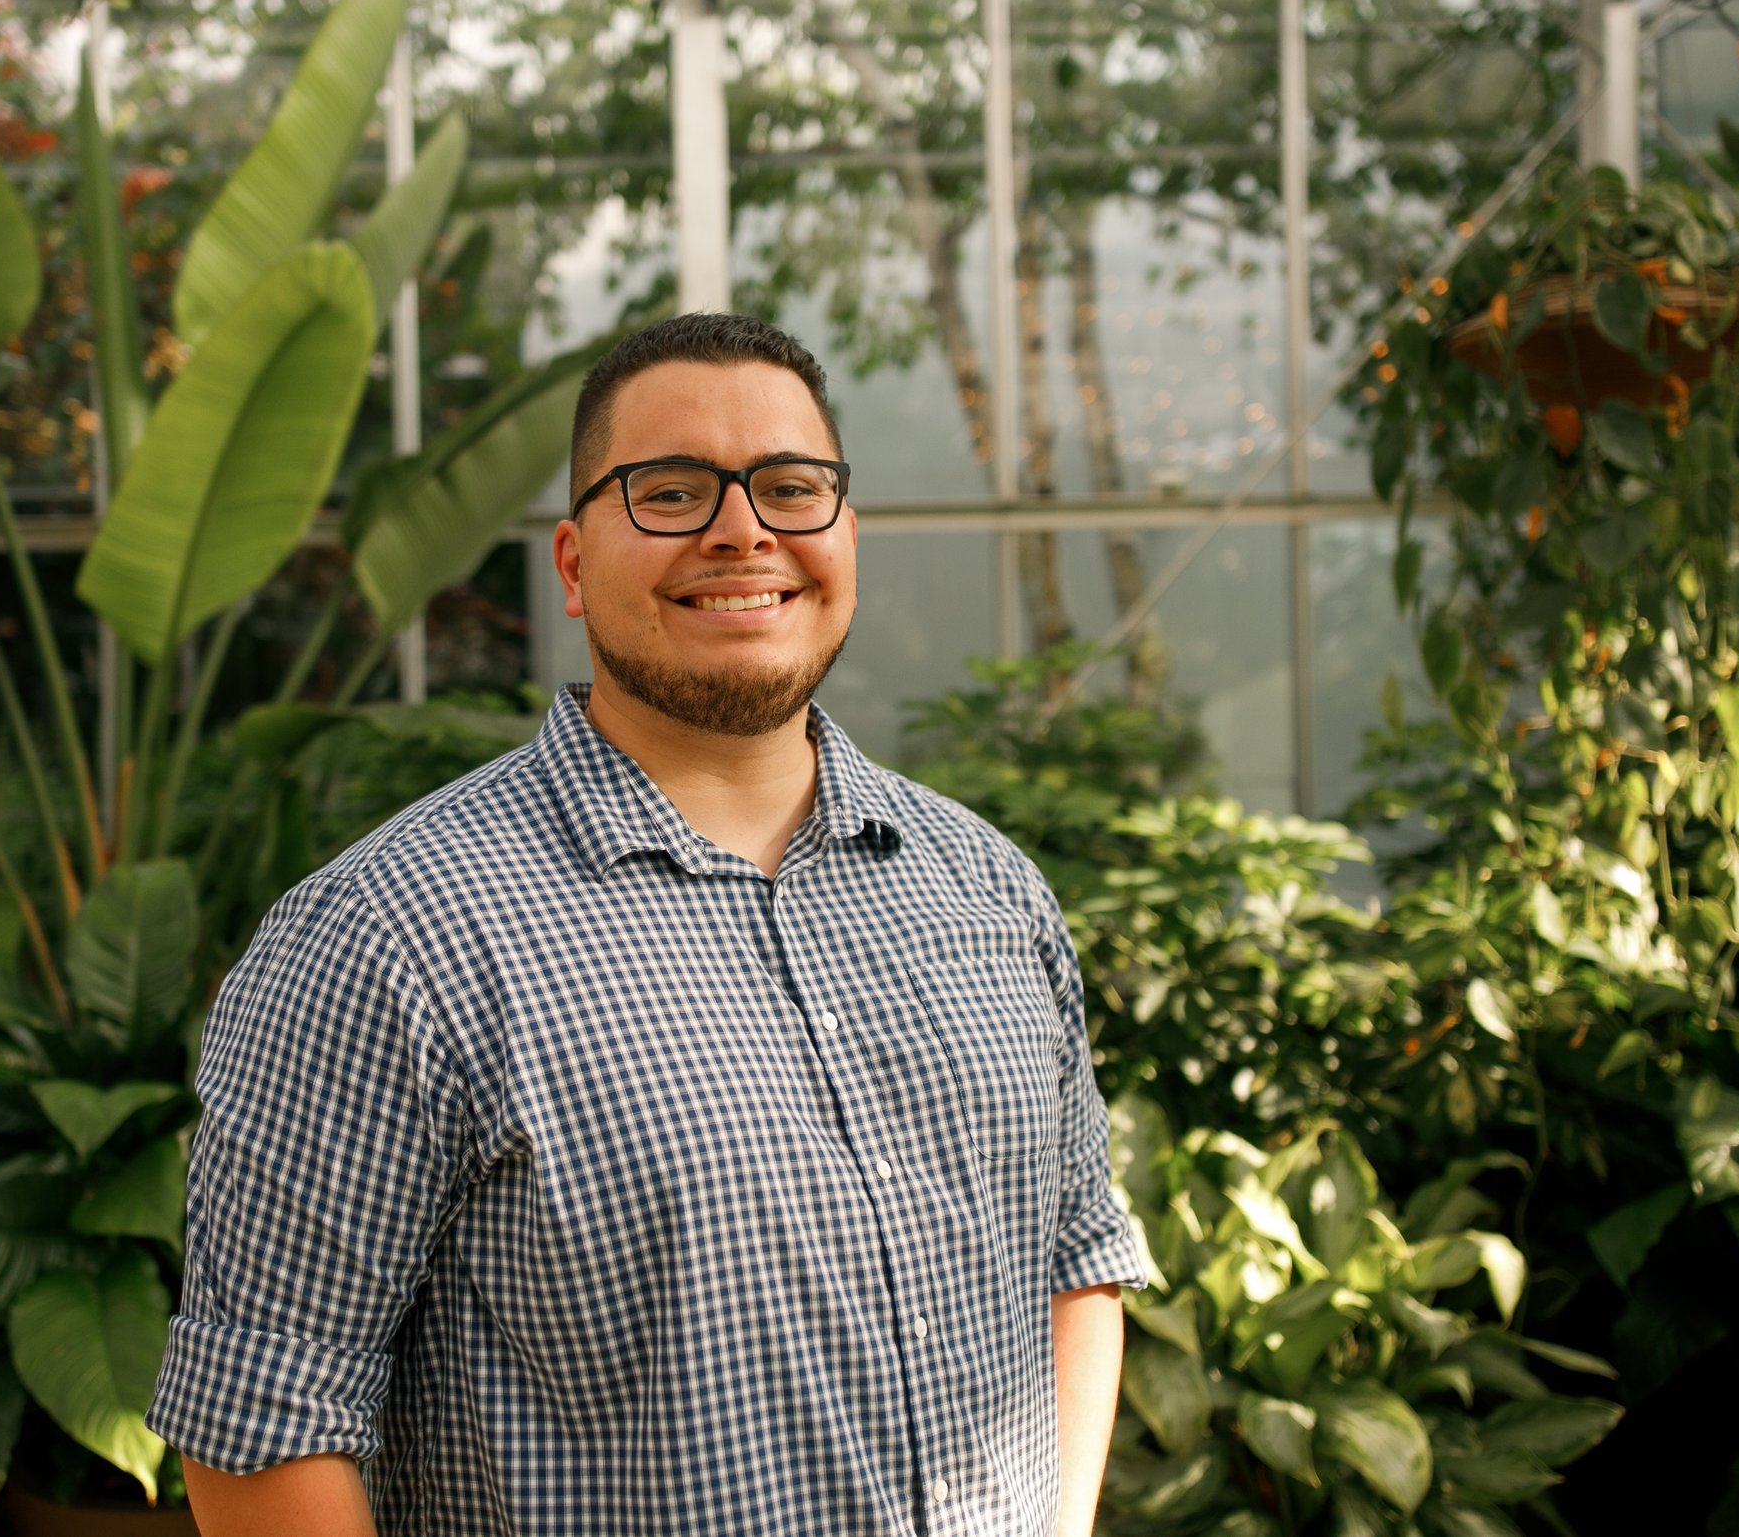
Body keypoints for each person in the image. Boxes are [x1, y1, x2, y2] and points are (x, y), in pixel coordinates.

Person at [146, 312, 1145, 1535]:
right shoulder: (384, 941)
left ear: (842, 533)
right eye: (670, 491)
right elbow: (262, 1431)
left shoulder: (989, 891)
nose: (743, 529)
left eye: (791, 487)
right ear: (572, 563)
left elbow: (1077, 1259)